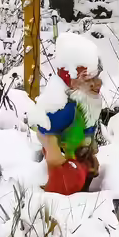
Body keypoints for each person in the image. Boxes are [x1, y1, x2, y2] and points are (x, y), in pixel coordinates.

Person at [32, 33, 103, 195]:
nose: (96, 84)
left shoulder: (86, 104)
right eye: (87, 79)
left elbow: (87, 130)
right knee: (72, 177)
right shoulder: (65, 109)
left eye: (96, 77)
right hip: (65, 161)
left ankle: (82, 192)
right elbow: (44, 129)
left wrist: (90, 150)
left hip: (79, 154)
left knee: (89, 170)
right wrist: (53, 151)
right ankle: (56, 199)